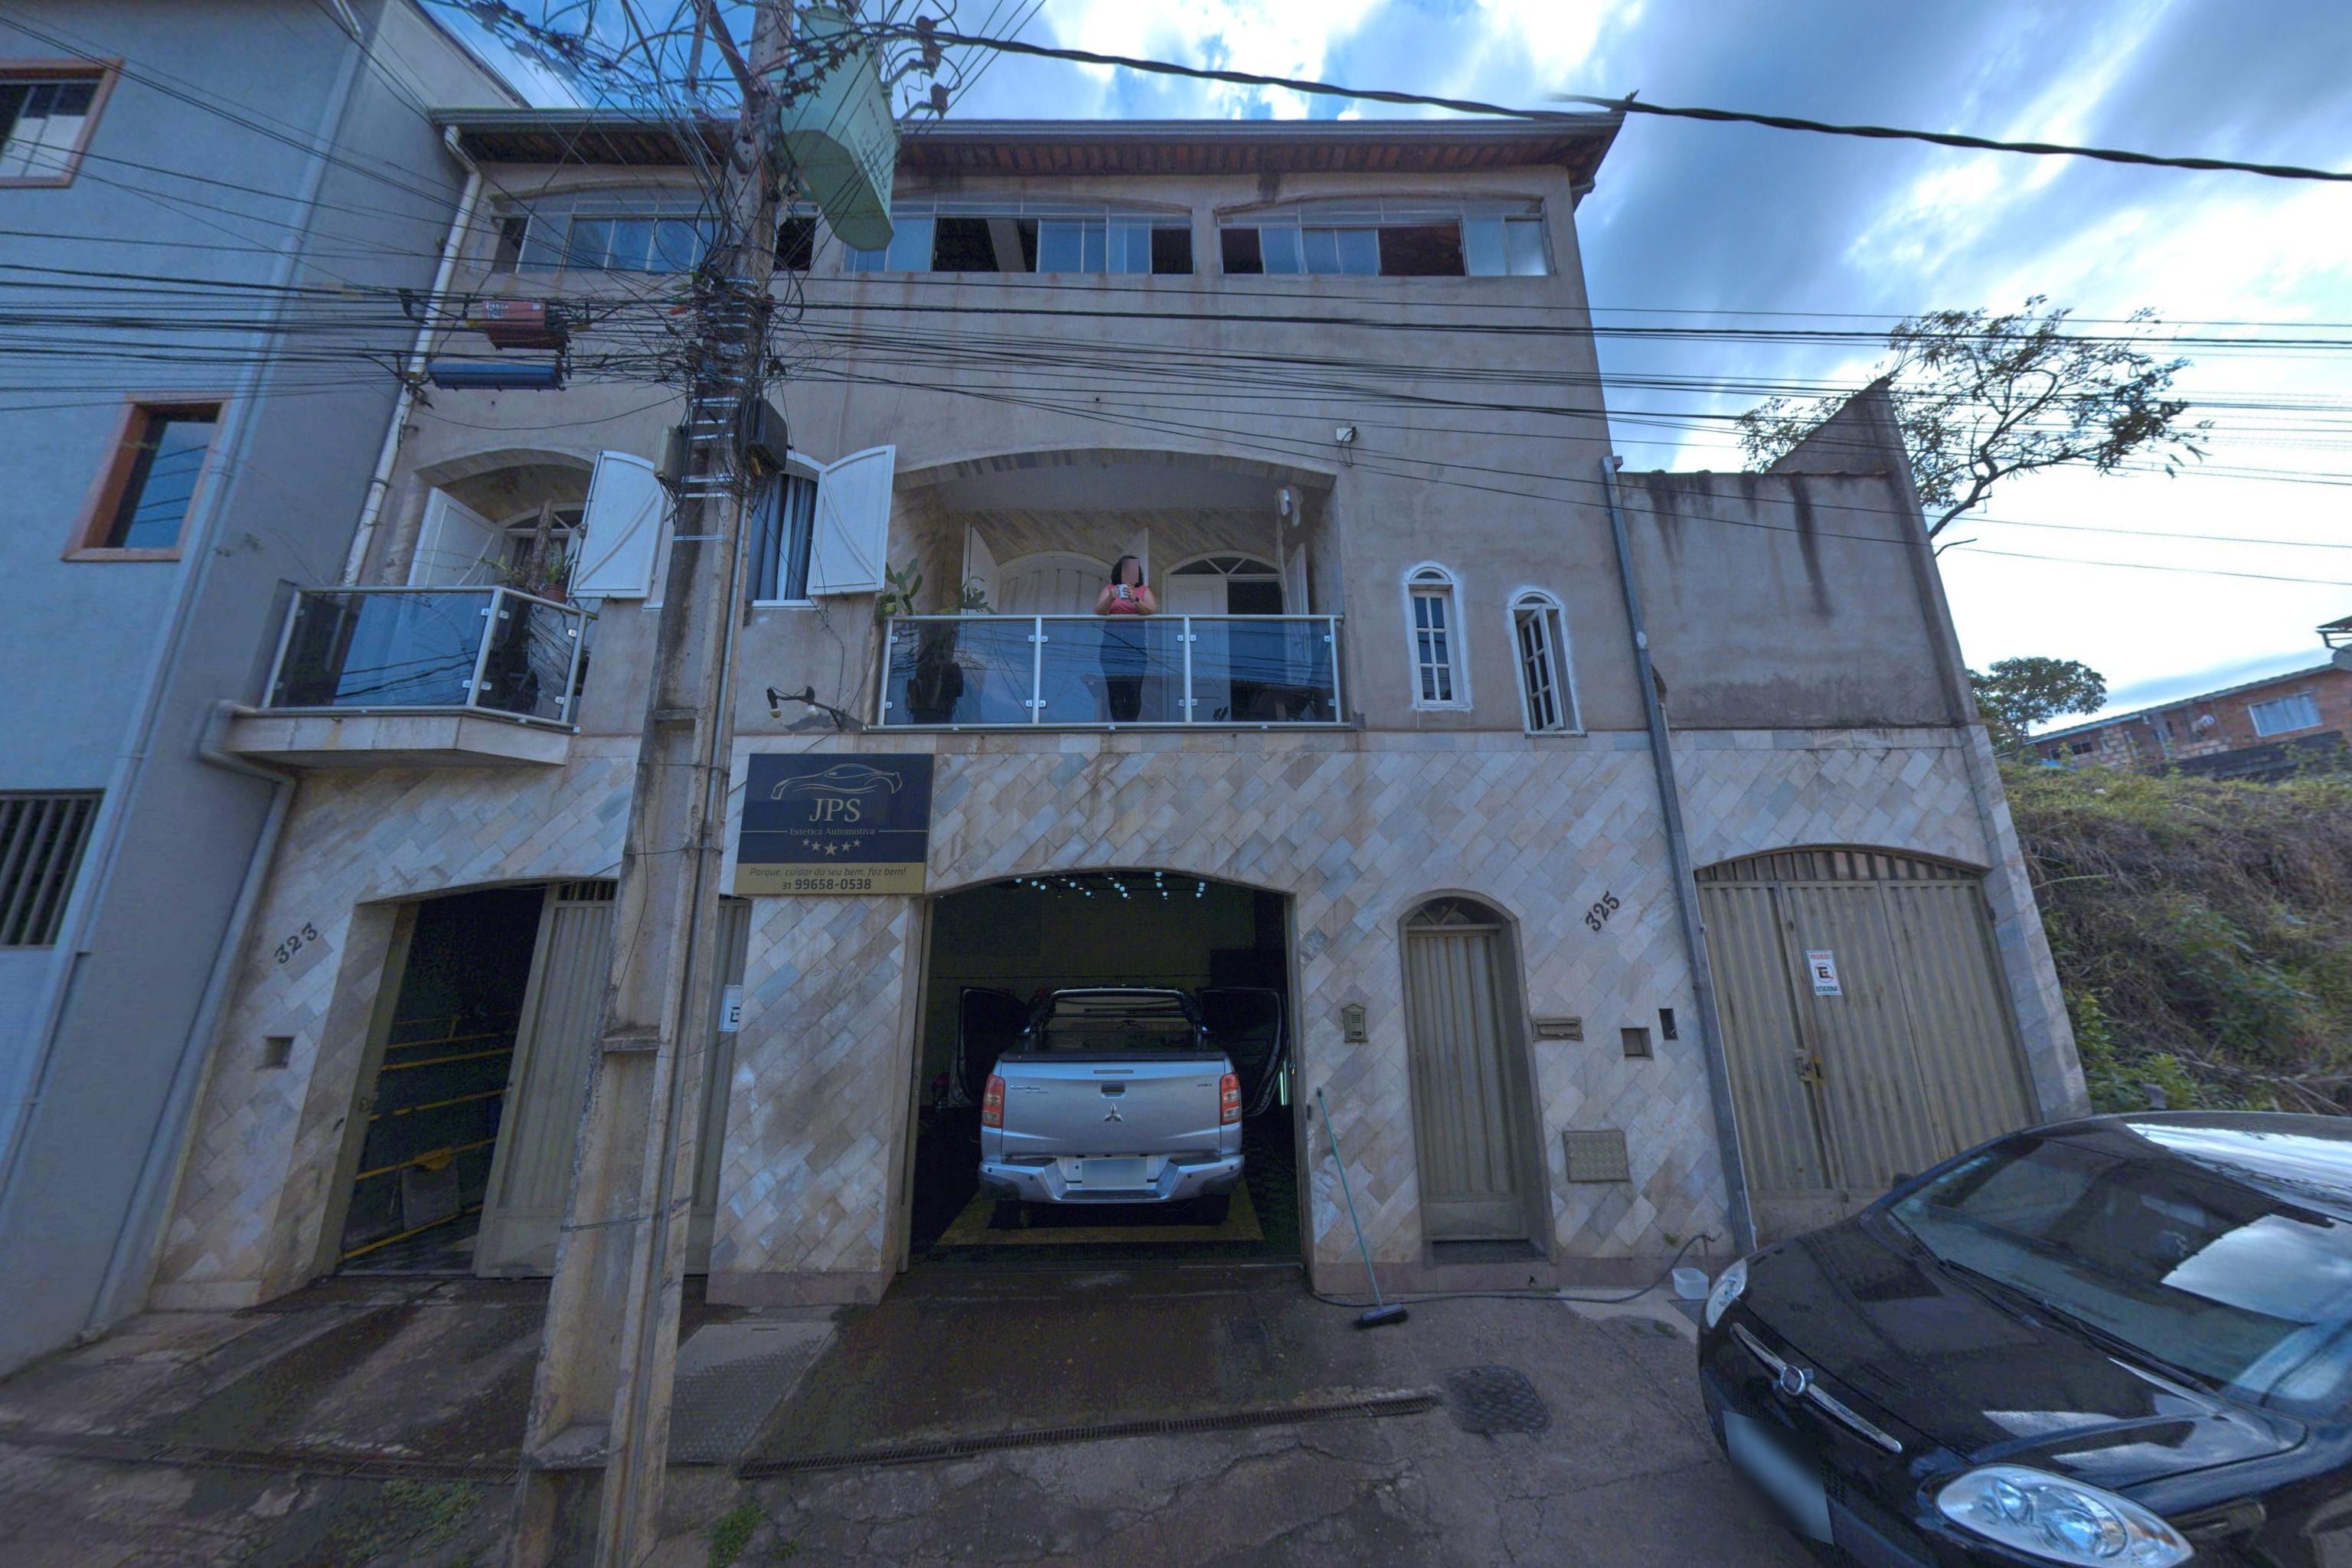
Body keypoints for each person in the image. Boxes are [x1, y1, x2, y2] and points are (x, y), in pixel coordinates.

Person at [1093, 555, 1156, 722]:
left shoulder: (1143, 590)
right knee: (1115, 691)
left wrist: (1134, 599)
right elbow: (1099, 611)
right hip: (1112, 645)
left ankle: (1131, 726)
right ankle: (1120, 727)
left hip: (1135, 645)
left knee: (1134, 690)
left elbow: (1151, 610)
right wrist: (1111, 597)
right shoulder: (1110, 589)